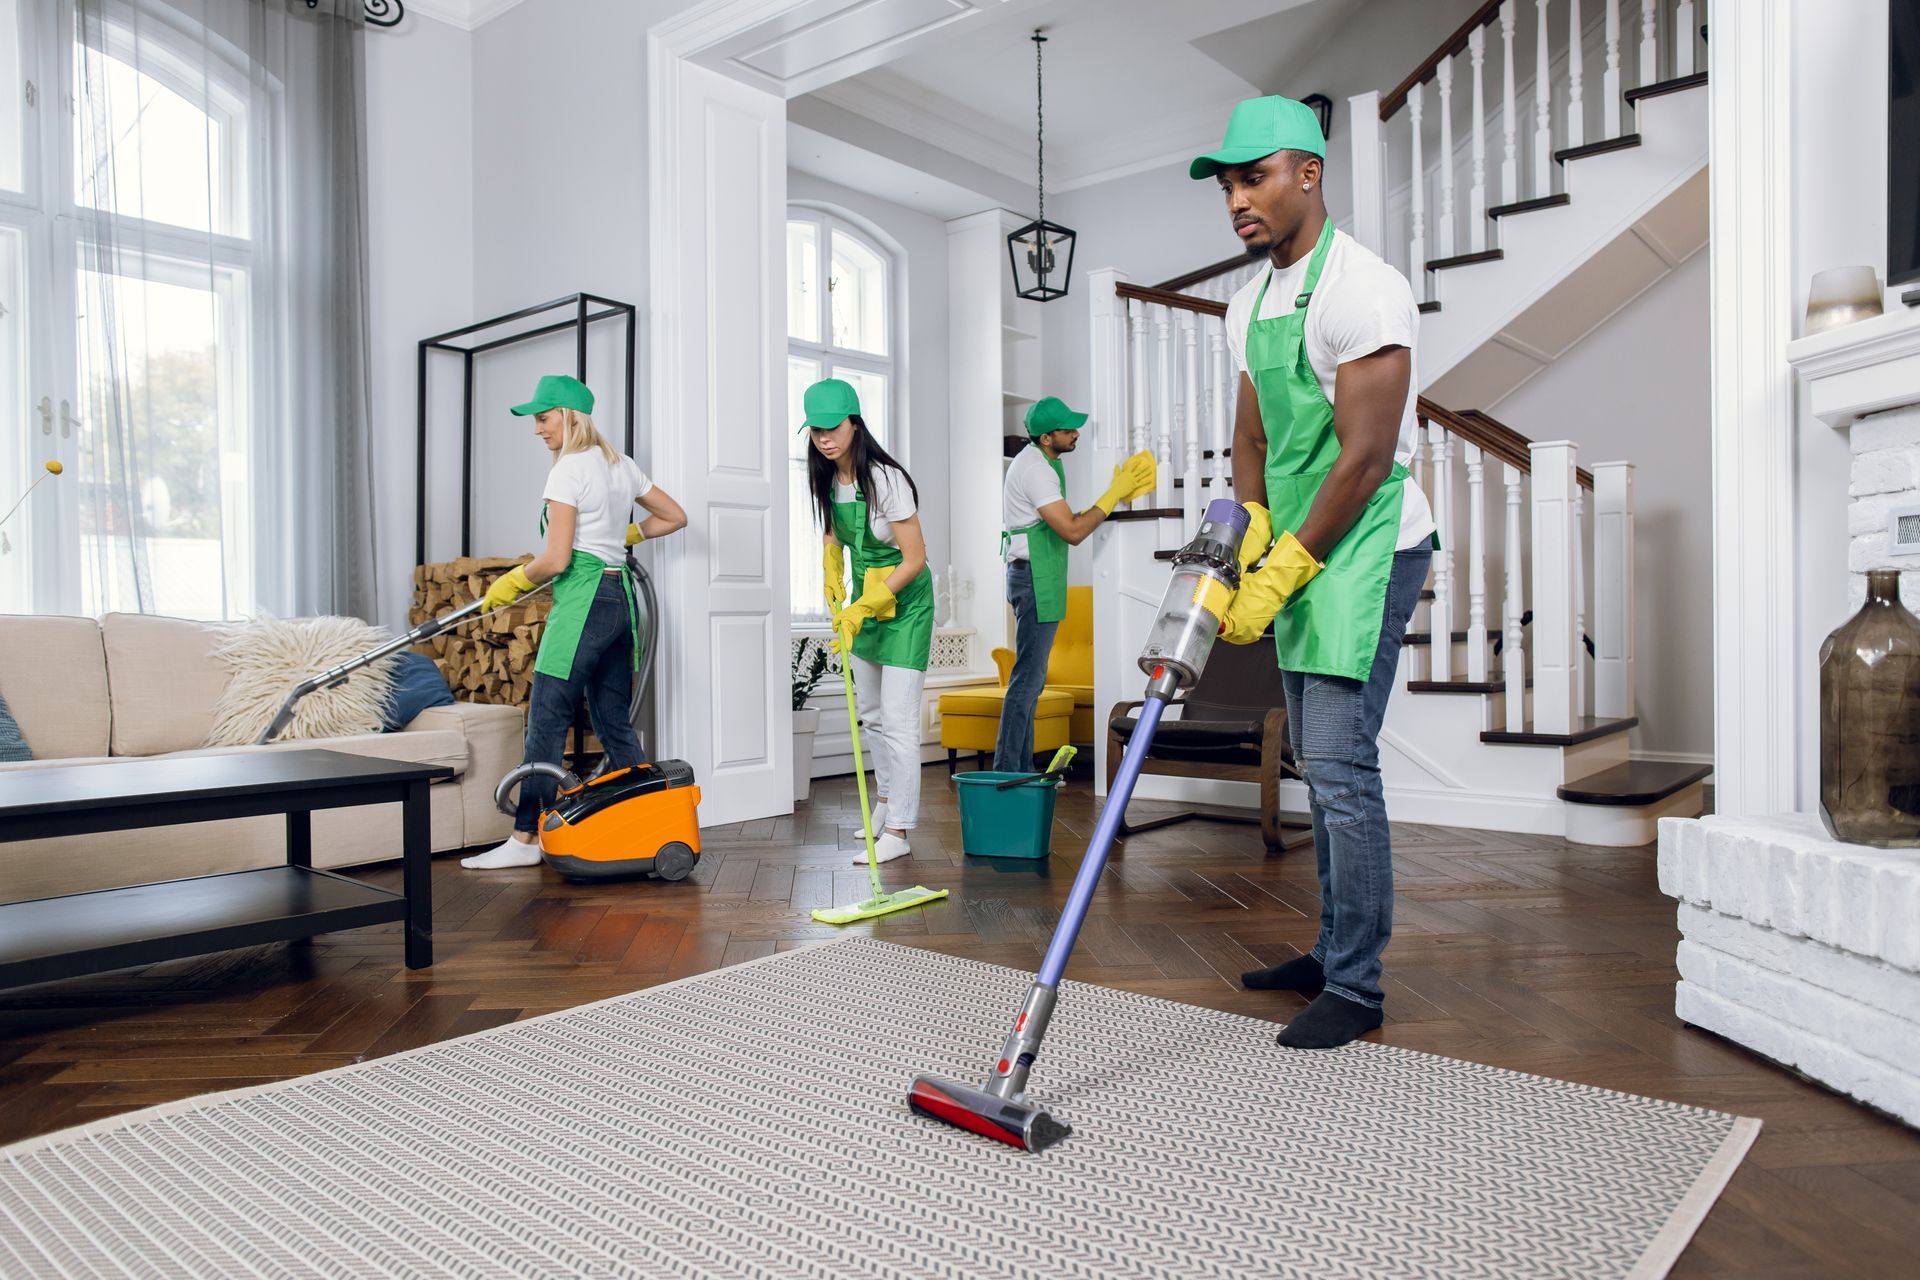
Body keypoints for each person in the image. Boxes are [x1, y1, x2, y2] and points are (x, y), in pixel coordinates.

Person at [1192, 96, 1436, 1048]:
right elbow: (1251, 437)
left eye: (1253, 178)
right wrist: (1249, 531)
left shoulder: (1365, 289)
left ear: (1308, 173)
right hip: (1299, 541)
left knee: (1339, 762)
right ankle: (1332, 951)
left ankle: (1358, 986)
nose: (1236, 201)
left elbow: (1366, 458)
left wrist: (1287, 566)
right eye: (1227, 186)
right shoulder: (1248, 302)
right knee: (1315, 757)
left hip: (1367, 539)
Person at [461, 374, 687, 870]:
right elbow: (675, 516)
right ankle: (652, 827)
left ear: (569, 416)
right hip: (621, 602)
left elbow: (557, 559)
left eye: (544, 418)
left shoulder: (567, 470)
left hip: (583, 603)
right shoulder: (620, 464)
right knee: (614, 724)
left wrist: (512, 583)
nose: (537, 429)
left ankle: (524, 839)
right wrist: (627, 533)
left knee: (546, 721)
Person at [803, 378, 934, 864]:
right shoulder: (826, 477)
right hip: (865, 603)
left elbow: (915, 559)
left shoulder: (886, 479)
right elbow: (833, 534)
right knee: (872, 715)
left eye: (833, 428)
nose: (825, 439)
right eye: (816, 430)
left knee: (898, 722)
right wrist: (830, 569)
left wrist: (863, 606)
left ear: (855, 423)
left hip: (905, 606)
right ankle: (885, 803)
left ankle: (900, 830)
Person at [993, 397, 1155, 773]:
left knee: (1031, 680)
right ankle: (1007, 771)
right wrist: (1113, 494)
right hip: (1034, 578)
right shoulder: (1036, 470)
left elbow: (1067, 519)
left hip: (1036, 575)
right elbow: (1073, 531)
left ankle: (1020, 770)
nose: (1075, 433)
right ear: (1046, 437)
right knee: (1027, 679)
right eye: (1067, 430)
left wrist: (1111, 496)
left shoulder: (1041, 461)